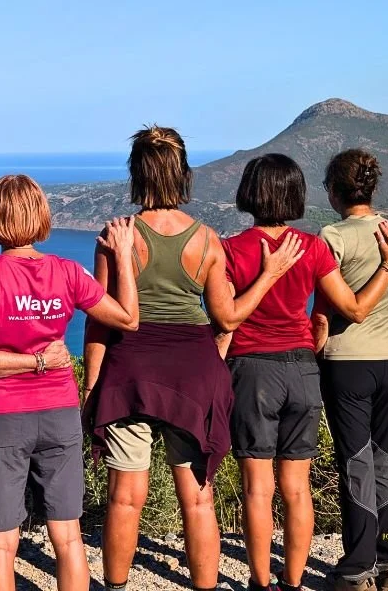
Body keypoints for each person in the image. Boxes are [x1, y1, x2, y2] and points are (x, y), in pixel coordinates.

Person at [84, 128, 303, 591]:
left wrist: (92, 385)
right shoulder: (207, 240)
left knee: (125, 499)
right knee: (199, 500)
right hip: (195, 375)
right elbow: (227, 318)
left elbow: (101, 320)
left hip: (130, 373)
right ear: (183, 173)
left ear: (136, 173)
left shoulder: (116, 235)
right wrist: (267, 277)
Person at [0, 174, 142, 591]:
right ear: (42, 215)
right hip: (59, 413)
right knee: (69, 537)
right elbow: (128, 318)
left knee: (2, 543)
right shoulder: (67, 271)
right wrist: (124, 255)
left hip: (3, 417)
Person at [221, 154, 388, 591]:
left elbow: (223, 321)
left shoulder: (231, 249)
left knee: (257, 489)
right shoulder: (313, 246)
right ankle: (294, 580)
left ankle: (260, 582)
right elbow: (342, 310)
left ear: (249, 192)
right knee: (297, 487)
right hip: (303, 370)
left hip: (251, 371)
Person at [312, 150, 388, 591]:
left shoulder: (331, 237)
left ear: (335, 191)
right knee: (382, 458)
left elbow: (323, 316)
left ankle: (356, 567)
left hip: (347, 364)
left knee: (355, 462)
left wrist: (316, 356)